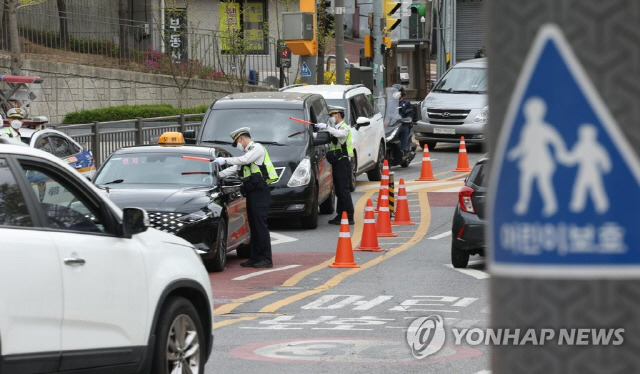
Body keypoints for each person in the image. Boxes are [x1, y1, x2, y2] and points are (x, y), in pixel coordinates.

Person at [216, 127, 278, 268]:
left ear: (241, 138)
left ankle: (266, 259)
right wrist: (217, 175)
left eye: (237, 141)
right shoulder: (248, 153)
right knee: (254, 227)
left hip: (260, 192)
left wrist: (224, 160)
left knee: (260, 226)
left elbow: (244, 160)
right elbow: (235, 169)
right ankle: (255, 257)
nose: (238, 145)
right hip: (252, 192)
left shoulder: (257, 148)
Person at [315, 107, 355, 225]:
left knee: (344, 190)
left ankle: (349, 216)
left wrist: (327, 127)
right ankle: (341, 214)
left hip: (343, 162)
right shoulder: (335, 128)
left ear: (338, 115)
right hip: (337, 162)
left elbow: (340, 134)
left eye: (332, 115)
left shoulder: (344, 128)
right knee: (338, 189)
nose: (331, 117)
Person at [393, 84, 413, 156]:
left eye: (398, 92)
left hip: (402, 123)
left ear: (402, 92)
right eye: (394, 92)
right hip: (392, 124)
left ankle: (404, 149)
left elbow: (410, 114)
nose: (396, 94)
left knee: (404, 129)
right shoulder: (390, 103)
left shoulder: (406, 103)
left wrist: (407, 118)